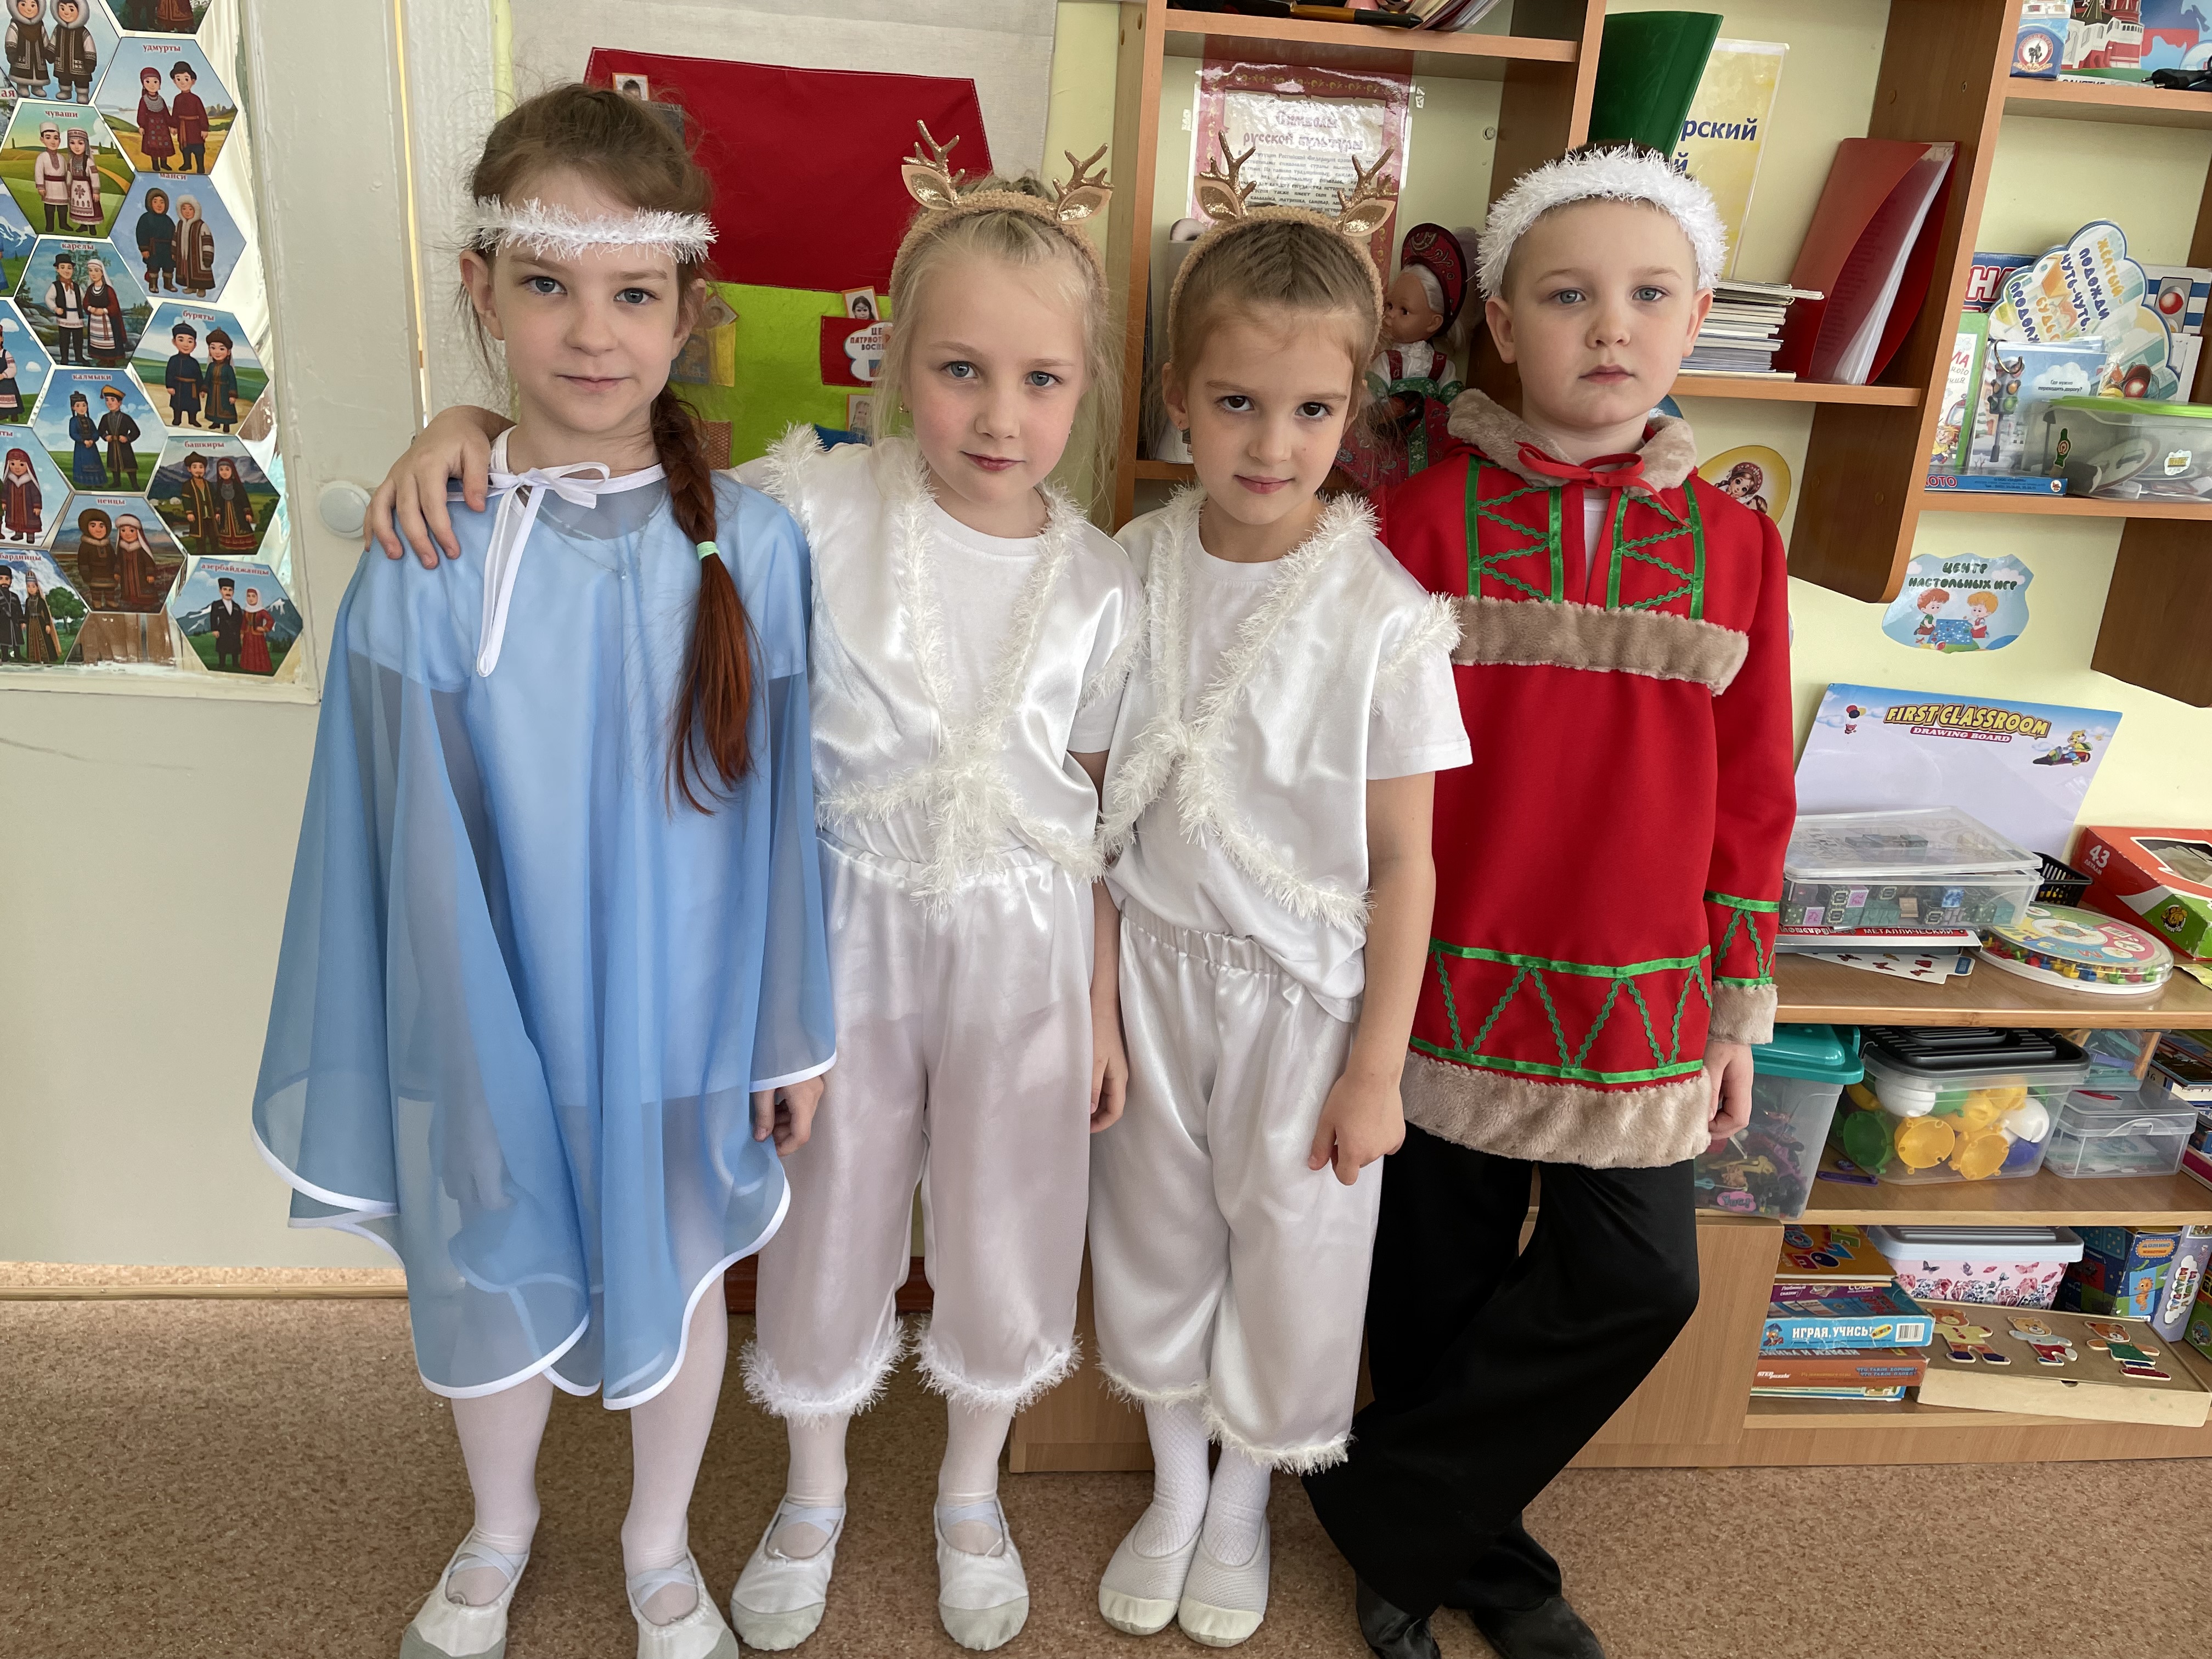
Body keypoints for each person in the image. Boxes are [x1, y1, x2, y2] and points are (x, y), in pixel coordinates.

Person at [371, 123, 1136, 1657]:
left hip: (1028, 950)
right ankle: (809, 1490)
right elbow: (609, 468)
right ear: (892, 360)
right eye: (960, 370)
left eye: (1041, 379)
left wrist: (1105, 1005)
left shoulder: (1107, 579)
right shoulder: (811, 508)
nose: (999, 415)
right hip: (850, 938)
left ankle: (969, 1497)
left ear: (1084, 388)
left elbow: (1106, 809)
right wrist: (462, 420)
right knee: (831, 1217)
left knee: (1008, 1220)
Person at [258, 84, 833, 1659]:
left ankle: (659, 1544)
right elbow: (397, 822)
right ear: (482, 289)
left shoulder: (757, 551)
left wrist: (787, 1031)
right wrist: (449, 1033)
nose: (592, 333)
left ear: (690, 311)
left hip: (684, 1014)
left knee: (682, 1265)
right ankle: (500, 1526)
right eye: (546, 284)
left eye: (635, 294)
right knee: (488, 1264)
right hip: (492, 1003)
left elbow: (789, 817)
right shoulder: (432, 550)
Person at [1299, 145, 1795, 1659]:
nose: (1611, 326)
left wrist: (1737, 1004)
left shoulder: (1737, 544)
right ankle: (1473, 1568)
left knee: (1639, 1281)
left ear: (1696, 317)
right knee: (1432, 1292)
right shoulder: (1418, 520)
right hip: (1442, 975)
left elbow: (1755, 789)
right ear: (1505, 326)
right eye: (1570, 297)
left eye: (1649, 296)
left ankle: (1384, 1506)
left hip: (1643, 992)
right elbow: (1347, 756)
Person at [1084, 145, 1468, 1651]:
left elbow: (1406, 860)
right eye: (1237, 402)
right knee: (1155, 1233)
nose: (1271, 443)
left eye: (1312, 410)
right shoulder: (1128, 569)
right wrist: (1097, 1000)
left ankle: (1246, 1494)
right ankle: (1176, 1486)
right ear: (1179, 396)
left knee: (1297, 1254)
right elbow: (1090, 806)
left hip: (1308, 999)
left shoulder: (1386, 616)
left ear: (1354, 407)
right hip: (1155, 970)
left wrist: (1379, 1065)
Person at [114, 512, 168, 609]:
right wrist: (117, 572)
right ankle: (133, 602)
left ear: (138, 532)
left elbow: (149, 562)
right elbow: (119, 562)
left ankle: (147, 604)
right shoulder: (122, 548)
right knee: (129, 590)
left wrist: (150, 574)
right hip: (127, 577)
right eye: (123, 530)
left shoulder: (142, 548)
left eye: (131, 531)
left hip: (142, 576)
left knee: (145, 590)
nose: (127, 534)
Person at [83, 256, 129, 366]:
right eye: (91, 271)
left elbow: (115, 306)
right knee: (96, 341)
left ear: (102, 273)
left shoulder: (108, 290)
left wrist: (104, 311)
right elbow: (85, 303)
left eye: (96, 271)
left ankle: (111, 360)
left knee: (109, 342)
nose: (93, 274)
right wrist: (91, 309)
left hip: (108, 322)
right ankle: (102, 358)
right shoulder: (90, 289)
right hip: (95, 322)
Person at [70, 504, 116, 608]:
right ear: (86, 528)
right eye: (93, 526)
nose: (98, 530)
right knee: (96, 590)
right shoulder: (85, 546)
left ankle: (110, 601)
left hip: (109, 573)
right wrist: (85, 574)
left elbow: (114, 559)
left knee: (110, 589)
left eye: (102, 526)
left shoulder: (108, 545)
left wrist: (117, 570)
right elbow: (83, 561)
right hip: (94, 574)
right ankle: (97, 602)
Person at [173, 448, 217, 554]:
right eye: (195, 467)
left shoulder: (209, 484)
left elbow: (215, 499)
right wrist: (189, 513)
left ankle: (216, 551)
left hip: (210, 516)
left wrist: (217, 512)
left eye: (201, 467)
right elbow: (186, 500)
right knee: (200, 537)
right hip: (198, 515)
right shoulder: (188, 485)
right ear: (189, 469)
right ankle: (201, 552)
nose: (198, 470)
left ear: (205, 469)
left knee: (214, 535)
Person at [46, 250, 86, 363]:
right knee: (64, 339)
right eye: (63, 267)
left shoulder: (77, 286)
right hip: (64, 317)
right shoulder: (56, 286)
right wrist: (55, 309)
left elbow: (84, 299)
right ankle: (64, 358)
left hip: (77, 317)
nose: (66, 271)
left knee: (79, 339)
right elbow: (48, 298)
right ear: (57, 269)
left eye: (69, 268)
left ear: (73, 269)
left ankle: (79, 357)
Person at [136, 184, 178, 291]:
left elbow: (175, 235)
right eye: (155, 202)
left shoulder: (168, 220)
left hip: (167, 249)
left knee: (169, 267)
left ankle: (168, 284)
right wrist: (144, 249)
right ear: (150, 203)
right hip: (153, 248)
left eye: (162, 202)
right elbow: (141, 233)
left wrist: (174, 251)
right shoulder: (146, 218)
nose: (159, 205)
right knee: (153, 267)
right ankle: (153, 285)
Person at [5, 0, 49, 101]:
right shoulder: (16, 25)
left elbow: (45, 40)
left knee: (38, 73)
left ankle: (37, 87)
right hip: (21, 58)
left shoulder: (40, 26)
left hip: (38, 58)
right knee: (21, 74)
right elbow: (11, 38)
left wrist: (49, 51)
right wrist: (11, 51)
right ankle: (22, 86)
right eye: (23, 4)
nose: (29, 9)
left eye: (33, 5)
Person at [97, 384, 140, 488]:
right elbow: (100, 430)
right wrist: (106, 436)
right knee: (114, 464)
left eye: (113, 400)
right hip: (112, 445)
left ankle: (134, 484)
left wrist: (127, 438)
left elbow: (136, 432)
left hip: (124, 446)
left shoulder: (126, 418)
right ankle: (117, 482)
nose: (110, 403)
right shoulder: (105, 418)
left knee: (129, 464)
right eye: (107, 400)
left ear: (120, 403)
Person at [135, 65, 175, 173]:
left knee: (164, 146)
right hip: (151, 127)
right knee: (153, 147)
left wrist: (172, 125)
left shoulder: (161, 99)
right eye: (148, 82)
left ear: (160, 84)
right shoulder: (144, 100)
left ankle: (164, 163)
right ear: (143, 84)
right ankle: (155, 164)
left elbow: (166, 114)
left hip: (163, 128)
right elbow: (141, 114)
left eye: (155, 82)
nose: (152, 85)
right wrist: (142, 126)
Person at [171, 60, 208, 173]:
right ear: (174, 81)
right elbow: (175, 114)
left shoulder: (196, 99)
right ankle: (187, 164)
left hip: (195, 128)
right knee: (185, 148)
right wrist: (174, 126)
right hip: (183, 129)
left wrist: (204, 129)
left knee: (199, 149)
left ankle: (200, 167)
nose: (182, 82)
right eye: (178, 79)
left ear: (193, 81)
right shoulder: (177, 99)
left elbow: (202, 114)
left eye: (186, 79)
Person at [48, 0, 90, 101]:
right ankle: (65, 91)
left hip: (80, 65)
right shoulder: (58, 29)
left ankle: (82, 94)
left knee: (82, 81)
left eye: (71, 9)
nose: (66, 13)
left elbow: (89, 46)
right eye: (62, 8)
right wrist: (50, 52)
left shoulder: (82, 32)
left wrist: (90, 60)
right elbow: (53, 42)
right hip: (62, 63)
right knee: (63, 79)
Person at [211, 453, 255, 548]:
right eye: (221, 470)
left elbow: (244, 500)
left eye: (227, 469)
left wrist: (247, 513)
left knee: (242, 527)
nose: (224, 472)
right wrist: (218, 512)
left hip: (239, 512)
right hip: (225, 512)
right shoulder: (219, 486)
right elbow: (218, 500)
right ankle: (229, 543)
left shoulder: (237, 486)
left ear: (232, 471)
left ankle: (243, 544)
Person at [31, 120, 67, 233]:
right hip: (49, 186)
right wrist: (41, 187)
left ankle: (63, 224)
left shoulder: (62, 157)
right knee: (49, 208)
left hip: (62, 188)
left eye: (56, 138)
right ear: (42, 140)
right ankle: (49, 226)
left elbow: (67, 173)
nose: (53, 141)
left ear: (60, 140)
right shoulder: (42, 157)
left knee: (63, 208)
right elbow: (39, 172)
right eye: (48, 138)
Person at [176, 194, 216, 296]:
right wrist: (173, 253)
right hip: (185, 257)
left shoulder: (202, 226)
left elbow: (207, 241)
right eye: (184, 209)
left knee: (199, 273)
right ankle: (191, 287)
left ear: (196, 210)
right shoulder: (180, 225)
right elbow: (175, 239)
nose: (187, 211)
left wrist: (208, 257)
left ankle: (202, 289)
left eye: (190, 209)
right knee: (187, 272)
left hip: (199, 258)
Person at [164, 320, 202, 425]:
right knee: (178, 405)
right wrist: (170, 386)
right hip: (178, 387)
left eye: (190, 341)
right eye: (181, 340)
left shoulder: (194, 362)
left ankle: (193, 420)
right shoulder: (173, 360)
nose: (186, 345)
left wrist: (202, 388)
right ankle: (177, 419)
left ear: (195, 345)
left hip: (192, 388)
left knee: (192, 406)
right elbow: (169, 374)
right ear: (174, 341)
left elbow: (199, 376)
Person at [63, 126, 100, 233]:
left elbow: (95, 176)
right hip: (75, 188)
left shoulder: (89, 162)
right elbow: (69, 175)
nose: (76, 147)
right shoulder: (71, 161)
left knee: (91, 208)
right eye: (72, 143)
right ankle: (83, 226)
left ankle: (92, 228)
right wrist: (68, 188)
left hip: (88, 189)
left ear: (86, 145)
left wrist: (96, 191)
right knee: (78, 208)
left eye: (80, 143)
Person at [3, 446, 42, 543]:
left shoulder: (30, 482)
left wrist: (37, 506)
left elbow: (36, 495)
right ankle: (18, 534)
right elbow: (5, 492)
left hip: (28, 508)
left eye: (21, 464)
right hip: (14, 507)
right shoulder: (9, 481)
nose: (17, 468)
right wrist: (4, 502)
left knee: (30, 521)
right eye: (12, 464)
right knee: (16, 520)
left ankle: (30, 536)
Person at [203, 328, 239, 429]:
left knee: (226, 408)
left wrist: (232, 395)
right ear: (209, 350)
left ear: (228, 352)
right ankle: (216, 423)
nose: (217, 352)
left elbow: (233, 382)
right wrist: (204, 390)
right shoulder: (211, 366)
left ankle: (226, 425)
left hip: (224, 392)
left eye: (222, 349)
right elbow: (207, 379)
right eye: (213, 348)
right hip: (213, 391)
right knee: (213, 407)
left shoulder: (228, 368)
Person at [65, 390, 101, 487]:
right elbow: (73, 433)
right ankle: (87, 482)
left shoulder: (90, 420)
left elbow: (96, 432)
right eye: (78, 406)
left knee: (95, 463)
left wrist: (92, 440)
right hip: (81, 446)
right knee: (84, 464)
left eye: (84, 405)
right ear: (73, 408)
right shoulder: (73, 421)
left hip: (92, 446)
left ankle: (97, 482)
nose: (82, 408)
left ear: (87, 406)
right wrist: (83, 441)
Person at [22, 569, 61, 661]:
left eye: (33, 586)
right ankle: (34, 658)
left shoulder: (41, 601)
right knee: (32, 639)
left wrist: (47, 624)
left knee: (44, 639)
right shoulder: (28, 601)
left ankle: (47, 657)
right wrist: (24, 622)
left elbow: (46, 613)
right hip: (31, 624)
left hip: (40, 622)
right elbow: (27, 613)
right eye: (28, 586)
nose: (31, 589)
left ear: (37, 588)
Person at [206, 571, 241, 668]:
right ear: (220, 591)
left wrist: (241, 631)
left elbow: (240, 619)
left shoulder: (237, 606)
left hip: (235, 631)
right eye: (225, 589)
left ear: (233, 592)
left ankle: (235, 664)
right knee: (223, 648)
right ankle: (222, 664)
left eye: (230, 590)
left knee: (235, 648)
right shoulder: (217, 605)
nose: (228, 592)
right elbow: (213, 617)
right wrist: (215, 629)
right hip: (223, 630)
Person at [238, 583, 271, 673]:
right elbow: (244, 622)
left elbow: (270, 620)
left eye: (253, 596)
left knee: (258, 651)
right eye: (248, 596)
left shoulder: (262, 611)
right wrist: (242, 632)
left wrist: (264, 628)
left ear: (258, 597)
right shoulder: (246, 610)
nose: (251, 598)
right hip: (248, 635)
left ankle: (260, 668)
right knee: (248, 651)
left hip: (258, 636)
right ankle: (248, 667)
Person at [0, 563, 21, 660]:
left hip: (14, 622)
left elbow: (19, 610)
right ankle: (5, 657)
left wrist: (22, 621)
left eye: (7, 579)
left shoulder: (14, 596)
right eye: (1, 579)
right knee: (4, 640)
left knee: (16, 639)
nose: (4, 582)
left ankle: (18, 655)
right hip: (3, 623)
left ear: (11, 581)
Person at [0, 346, 24, 422]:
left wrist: (3, 375)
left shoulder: (6, 354)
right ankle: (4, 414)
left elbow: (12, 368)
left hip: (7, 381)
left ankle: (14, 414)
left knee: (10, 397)